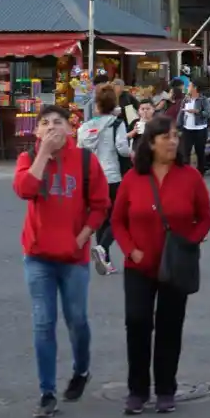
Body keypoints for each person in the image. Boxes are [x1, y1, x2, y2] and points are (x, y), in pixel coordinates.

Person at [110, 116, 210, 415]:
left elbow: (205, 217)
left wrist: (189, 242)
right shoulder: (133, 178)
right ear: (151, 142)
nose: (173, 141)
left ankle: (166, 389)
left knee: (170, 326)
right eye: (166, 136)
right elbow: (117, 220)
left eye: (175, 136)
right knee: (137, 323)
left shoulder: (190, 176)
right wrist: (130, 250)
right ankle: (137, 390)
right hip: (139, 266)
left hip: (175, 265)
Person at [12, 105, 110, 418]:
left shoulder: (85, 161)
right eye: (45, 123)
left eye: (58, 122)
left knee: (76, 318)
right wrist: (44, 154)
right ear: (36, 131)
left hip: (73, 256)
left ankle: (81, 370)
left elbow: (100, 205)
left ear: (70, 129)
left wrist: (82, 237)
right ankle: (47, 392)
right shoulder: (29, 159)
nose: (52, 127)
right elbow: (24, 190)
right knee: (43, 323)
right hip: (38, 256)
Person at [78, 84, 132, 276]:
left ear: (97, 105)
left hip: (92, 177)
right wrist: (132, 152)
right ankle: (102, 247)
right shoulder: (117, 124)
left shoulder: (85, 127)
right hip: (112, 176)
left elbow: (80, 150)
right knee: (120, 217)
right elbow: (122, 149)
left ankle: (105, 260)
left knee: (101, 217)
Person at [177, 82, 210, 172]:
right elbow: (181, 112)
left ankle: (200, 172)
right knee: (186, 152)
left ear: (195, 88)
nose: (187, 87)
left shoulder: (203, 99)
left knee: (200, 152)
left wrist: (197, 111)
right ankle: (186, 172)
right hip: (187, 129)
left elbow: (208, 114)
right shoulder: (186, 99)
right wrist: (178, 125)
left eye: (189, 86)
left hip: (200, 129)